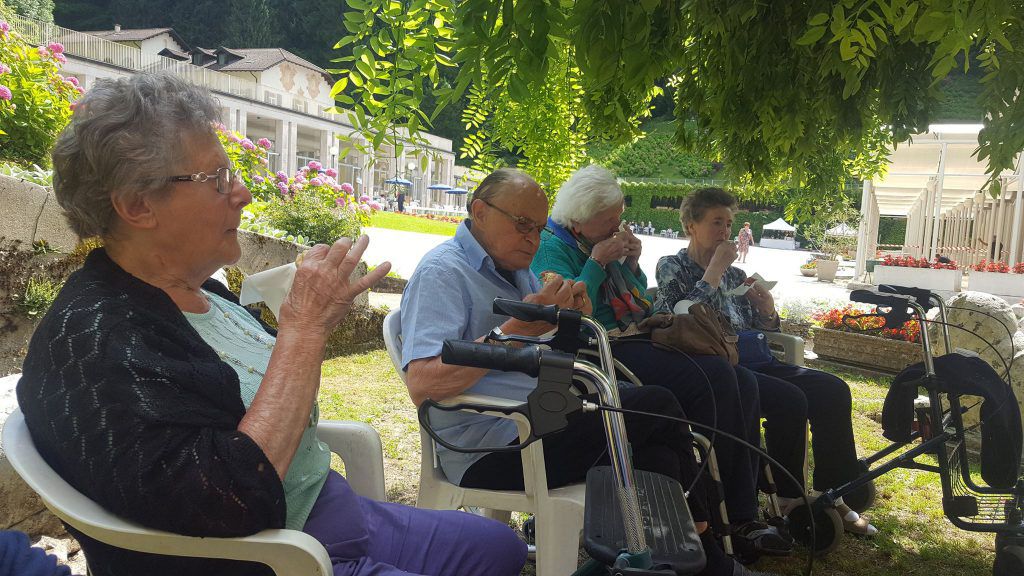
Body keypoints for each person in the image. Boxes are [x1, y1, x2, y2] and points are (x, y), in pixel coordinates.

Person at [16, 72, 526, 576]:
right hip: (274, 555)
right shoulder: (96, 341)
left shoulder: (203, 292)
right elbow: (225, 503)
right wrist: (303, 330)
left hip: (327, 508)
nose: (242, 193)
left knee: (501, 547)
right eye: (217, 180)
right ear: (136, 205)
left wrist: (307, 329)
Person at [400, 167, 778, 576]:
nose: (534, 239)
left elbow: (540, 353)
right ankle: (705, 550)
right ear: (479, 211)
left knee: (657, 451)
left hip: (537, 421)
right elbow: (424, 385)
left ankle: (661, 563)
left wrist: (567, 322)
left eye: (539, 228)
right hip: (490, 447)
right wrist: (514, 332)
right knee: (657, 404)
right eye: (523, 224)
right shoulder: (444, 272)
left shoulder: (515, 270)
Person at [530, 165, 789, 556]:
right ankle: (723, 515)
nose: (618, 225)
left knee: (742, 380)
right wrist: (597, 264)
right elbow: (572, 315)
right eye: (610, 219)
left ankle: (743, 507)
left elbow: (638, 299)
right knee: (716, 377)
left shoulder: (597, 239)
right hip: (602, 348)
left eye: (619, 216)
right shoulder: (552, 248)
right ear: (580, 219)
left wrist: (631, 264)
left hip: (636, 336)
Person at [654, 187, 878, 536]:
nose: (725, 232)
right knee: (790, 399)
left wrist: (767, 311)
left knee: (832, 389)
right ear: (690, 226)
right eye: (716, 223)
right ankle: (790, 499)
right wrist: (713, 270)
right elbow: (678, 317)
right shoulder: (673, 265)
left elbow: (757, 328)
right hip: (719, 366)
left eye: (729, 224)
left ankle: (833, 492)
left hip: (755, 357)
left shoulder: (734, 274)